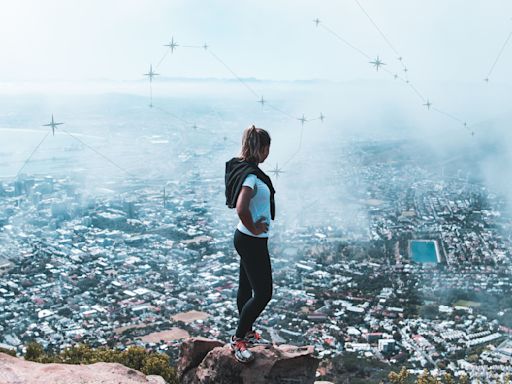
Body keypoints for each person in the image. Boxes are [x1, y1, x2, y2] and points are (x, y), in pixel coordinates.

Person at [224, 125, 276, 363]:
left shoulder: (247, 170)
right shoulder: (251, 176)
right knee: (264, 293)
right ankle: (238, 340)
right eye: (267, 148)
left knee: (246, 287)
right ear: (261, 148)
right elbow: (241, 207)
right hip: (251, 240)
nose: (268, 153)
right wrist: (254, 227)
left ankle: (244, 332)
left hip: (247, 238)